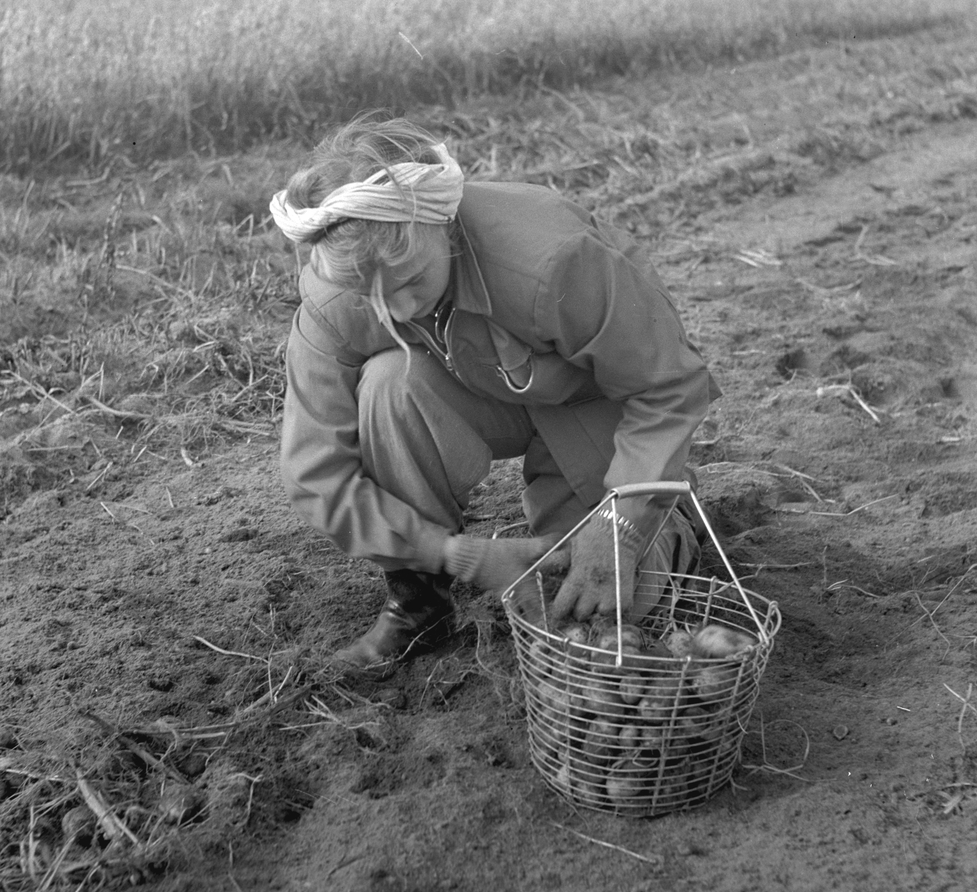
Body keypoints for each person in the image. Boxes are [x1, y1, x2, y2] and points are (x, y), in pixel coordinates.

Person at [268, 115, 719, 675]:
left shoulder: (551, 258)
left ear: (446, 225)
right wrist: (455, 555)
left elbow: (668, 385)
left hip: (589, 401)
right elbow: (315, 471)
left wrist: (621, 528)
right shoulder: (334, 294)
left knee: (601, 599)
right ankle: (417, 599)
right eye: (369, 293)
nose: (399, 311)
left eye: (410, 280)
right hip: (478, 386)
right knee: (389, 383)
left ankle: (671, 529)